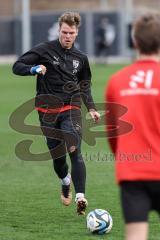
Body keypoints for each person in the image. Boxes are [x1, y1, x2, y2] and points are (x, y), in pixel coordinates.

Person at [12, 12, 100, 215]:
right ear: (59, 30)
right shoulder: (44, 50)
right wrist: (33, 69)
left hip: (71, 108)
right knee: (59, 160)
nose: (67, 36)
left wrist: (92, 108)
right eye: (64, 32)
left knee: (74, 149)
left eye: (71, 32)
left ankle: (81, 197)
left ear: (77, 33)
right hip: (47, 112)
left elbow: (85, 86)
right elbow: (17, 66)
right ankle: (65, 180)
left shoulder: (81, 59)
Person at [105, 13, 160, 240]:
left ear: (134, 42)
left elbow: (112, 133)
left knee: (135, 235)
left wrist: (125, 157)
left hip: (132, 172)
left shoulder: (117, 81)